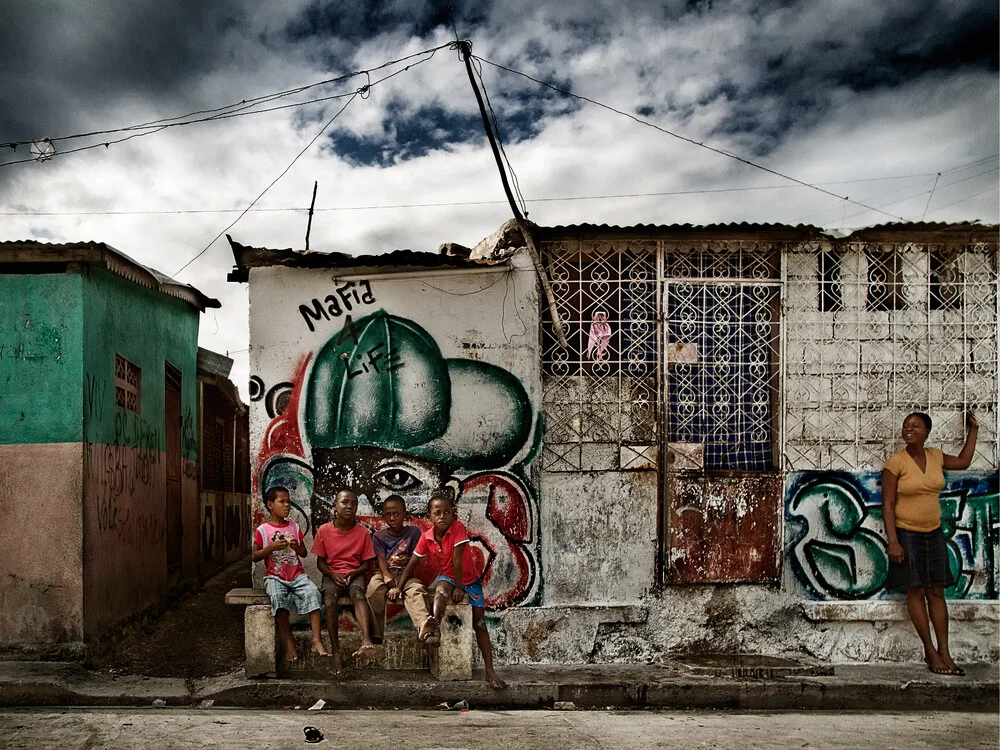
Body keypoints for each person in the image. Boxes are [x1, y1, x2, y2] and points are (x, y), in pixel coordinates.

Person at [882, 410, 978, 676]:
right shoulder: (895, 463)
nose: (908, 429)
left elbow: (963, 461)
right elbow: (887, 506)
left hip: (934, 533)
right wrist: (893, 541)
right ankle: (929, 651)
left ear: (926, 431)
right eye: (905, 426)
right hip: (907, 534)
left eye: (915, 425)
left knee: (936, 591)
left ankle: (944, 651)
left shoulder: (936, 456)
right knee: (916, 591)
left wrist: (974, 430)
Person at [397, 491, 507, 689]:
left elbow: (458, 559)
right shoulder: (426, 537)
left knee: (480, 623)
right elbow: (412, 563)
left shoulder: (457, 528)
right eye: (437, 513)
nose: (442, 517)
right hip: (447, 577)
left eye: (447, 512)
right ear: (429, 516)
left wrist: (459, 587)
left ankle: (490, 670)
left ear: (452, 514)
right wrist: (398, 587)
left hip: (468, 580)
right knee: (440, 594)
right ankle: (434, 628)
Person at [251, 486, 329, 662]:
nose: (287, 505)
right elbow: (254, 556)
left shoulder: (294, 526)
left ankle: (316, 640)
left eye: (288, 501)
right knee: (277, 599)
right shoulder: (263, 530)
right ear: (270, 505)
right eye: (282, 501)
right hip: (275, 576)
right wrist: (271, 548)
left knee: (313, 594)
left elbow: (303, 553)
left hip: (297, 575)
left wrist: (295, 545)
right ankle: (288, 639)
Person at [311, 488, 378, 673]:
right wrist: (333, 575)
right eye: (345, 502)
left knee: (358, 594)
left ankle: (366, 640)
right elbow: (320, 562)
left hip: (354, 575)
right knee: (330, 600)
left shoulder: (362, 533)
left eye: (353, 503)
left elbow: (366, 564)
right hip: (332, 575)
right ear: (335, 505)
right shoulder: (324, 530)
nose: (349, 506)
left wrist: (353, 573)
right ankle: (336, 652)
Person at [366, 495, 437, 644]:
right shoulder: (379, 536)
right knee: (373, 590)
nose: (392, 517)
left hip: (406, 575)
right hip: (384, 573)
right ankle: (375, 635)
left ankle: (425, 627)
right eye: (388, 514)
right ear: (383, 516)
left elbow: (416, 558)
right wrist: (386, 576)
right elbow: (380, 559)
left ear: (405, 514)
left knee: (417, 590)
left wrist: (407, 560)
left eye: (397, 514)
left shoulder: (413, 532)